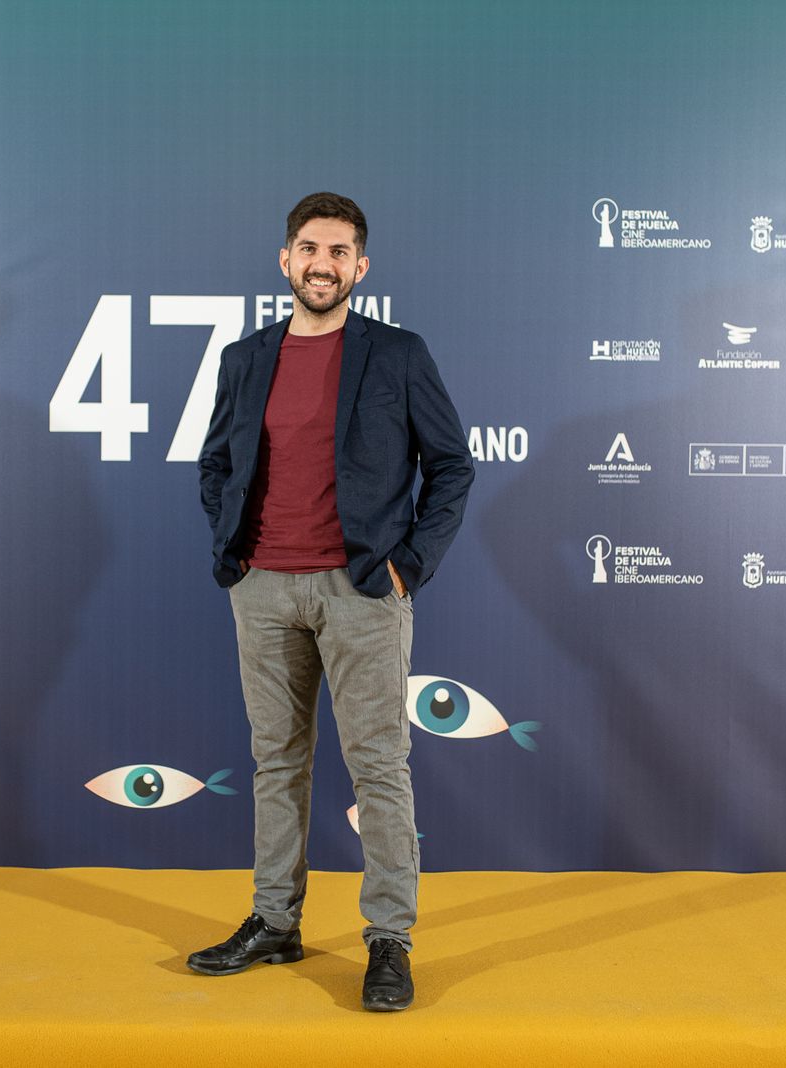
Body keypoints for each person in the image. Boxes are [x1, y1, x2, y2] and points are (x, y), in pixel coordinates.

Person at [191, 191, 474, 1012]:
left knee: (378, 768)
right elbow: (214, 464)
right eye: (310, 249)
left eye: (341, 251)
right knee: (276, 763)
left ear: (362, 266)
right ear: (286, 259)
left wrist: (409, 564)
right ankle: (274, 922)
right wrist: (234, 552)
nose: (323, 264)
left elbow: (452, 465)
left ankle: (389, 942)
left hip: (362, 592)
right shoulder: (245, 359)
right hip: (262, 589)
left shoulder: (398, 354)